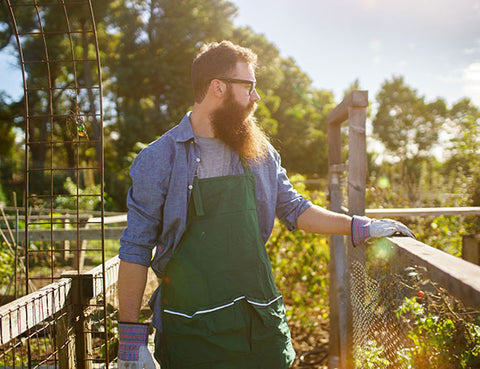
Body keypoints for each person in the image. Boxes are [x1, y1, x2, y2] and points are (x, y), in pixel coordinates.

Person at [117, 40, 415, 369]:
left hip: (257, 319)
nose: (256, 97)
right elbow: (135, 247)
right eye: (249, 87)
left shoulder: (258, 152)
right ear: (218, 87)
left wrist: (359, 225)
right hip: (191, 327)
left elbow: (295, 209)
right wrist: (131, 341)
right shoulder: (159, 159)